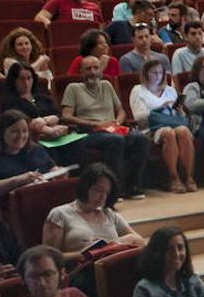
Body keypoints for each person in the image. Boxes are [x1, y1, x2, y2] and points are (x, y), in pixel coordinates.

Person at [62, 57, 150, 199]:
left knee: (141, 139)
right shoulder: (73, 88)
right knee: (115, 140)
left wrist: (117, 123)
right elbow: (66, 116)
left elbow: (121, 111)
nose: (93, 72)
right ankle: (115, 189)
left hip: (113, 128)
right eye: (88, 68)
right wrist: (94, 124)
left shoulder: (106, 85)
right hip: (89, 132)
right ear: (81, 71)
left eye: (96, 68)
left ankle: (133, 186)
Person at [129, 59, 196, 194]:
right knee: (168, 133)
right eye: (154, 73)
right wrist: (160, 107)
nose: (158, 76)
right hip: (151, 128)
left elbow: (179, 114)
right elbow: (139, 118)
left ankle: (188, 176)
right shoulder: (138, 90)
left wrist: (180, 111)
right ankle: (174, 178)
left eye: (160, 72)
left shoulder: (170, 90)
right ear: (146, 74)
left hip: (173, 122)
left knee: (183, 130)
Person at [0, 109, 58, 202]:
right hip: (10, 205)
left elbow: (52, 168)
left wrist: (58, 174)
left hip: (44, 198)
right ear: (2, 133)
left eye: (24, 131)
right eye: (14, 131)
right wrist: (17, 180)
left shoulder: (36, 149)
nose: (21, 136)